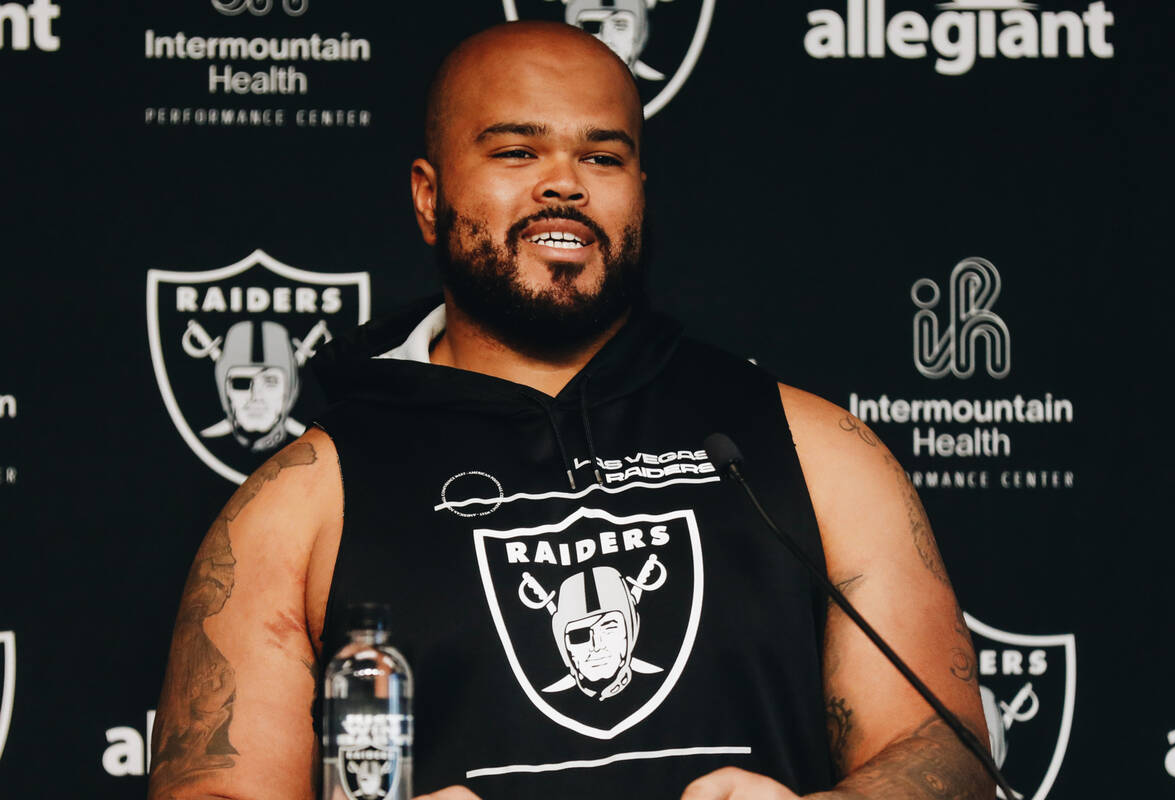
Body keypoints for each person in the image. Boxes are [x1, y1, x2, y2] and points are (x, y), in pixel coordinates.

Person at [149, 21, 992, 800]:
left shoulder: (807, 445)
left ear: (640, 190)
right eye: (517, 151)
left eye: (603, 157)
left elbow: (945, 752)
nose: (564, 183)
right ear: (427, 197)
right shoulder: (300, 501)